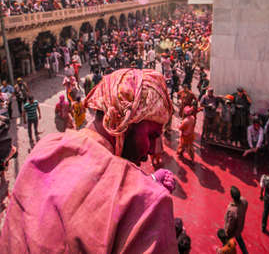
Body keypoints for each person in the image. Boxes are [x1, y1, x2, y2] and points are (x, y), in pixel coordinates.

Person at [1, 69, 177, 253]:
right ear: (122, 121)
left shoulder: (45, 148)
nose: (155, 149)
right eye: (152, 135)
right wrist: (148, 193)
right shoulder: (148, 205)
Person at [224, 186, 248, 254]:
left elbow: (230, 225)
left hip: (232, 230)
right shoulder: (244, 201)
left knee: (227, 243)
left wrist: (226, 231)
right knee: (239, 240)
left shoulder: (232, 210)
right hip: (240, 227)